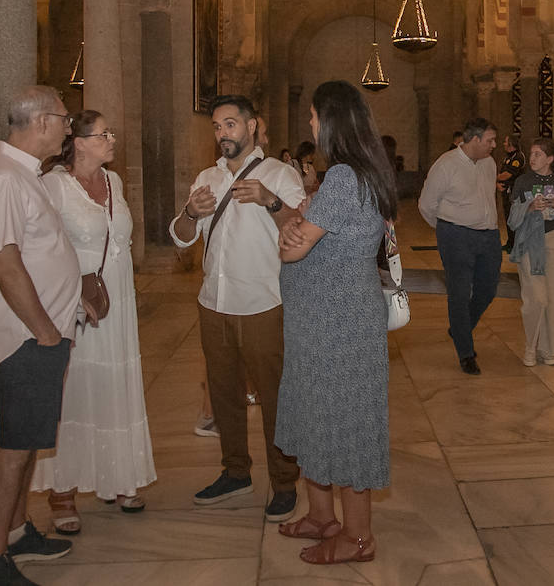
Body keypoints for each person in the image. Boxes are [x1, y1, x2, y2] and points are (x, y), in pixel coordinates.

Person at [0, 86, 86, 586]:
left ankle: (17, 532)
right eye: (63, 118)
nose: (67, 128)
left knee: (31, 439)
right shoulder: (2, 180)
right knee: (15, 446)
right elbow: (6, 263)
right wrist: (44, 331)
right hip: (28, 339)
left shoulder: (23, 175)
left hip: (42, 336)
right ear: (39, 122)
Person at [275, 80, 397, 565]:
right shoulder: (361, 174)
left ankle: (358, 536)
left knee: (343, 422)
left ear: (331, 121)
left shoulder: (345, 177)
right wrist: (303, 222)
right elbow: (308, 231)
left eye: (312, 116)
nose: (309, 125)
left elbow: (295, 245)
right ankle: (322, 515)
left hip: (337, 323)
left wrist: (295, 230)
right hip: (322, 320)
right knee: (314, 413)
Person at [170, 95, 305, 523]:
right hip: (214, 303)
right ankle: (235, 471)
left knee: (275, 396)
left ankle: (284, 481)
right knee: (224, 392)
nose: (222, 133)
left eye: (230, 124)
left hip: (264, 302)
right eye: (216, 126)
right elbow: (181, 238)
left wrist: (271, 201)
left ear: (252, 126)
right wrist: (190, 213)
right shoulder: (206, 177)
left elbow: (303, 234)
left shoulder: (280, 175)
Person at [31, 110, 156, 534]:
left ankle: (117, 477)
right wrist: (66, 297)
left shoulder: (114, 182)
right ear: (78, 142)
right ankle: (62, 491)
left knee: (113, 386)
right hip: (74, 302)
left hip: (116, 299)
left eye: (111, 131)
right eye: (103, 134)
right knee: (75, 391)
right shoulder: (54, 186)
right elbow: (39, 248)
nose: (111, 139)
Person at [418, 118, 502, 375]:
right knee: (459, 293)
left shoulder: (489, 163)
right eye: (489, 140)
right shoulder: (446, 165)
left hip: (488, 235)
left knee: (488, 289)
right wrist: (447, 229)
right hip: (456, 236)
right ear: (474, 140)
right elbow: (426, 205)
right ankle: (466, 353)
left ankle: (460, 328)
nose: (494, 145)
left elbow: (488, 197)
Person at [507, 138, 554, 366]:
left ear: (550, 159)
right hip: (529, 239)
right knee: (536, 297)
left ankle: (549, 350)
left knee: (553, 296)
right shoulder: (523, 181)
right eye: (532, 153)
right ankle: (530, 347)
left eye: (537, 154)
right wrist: (529, 207)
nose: (532, 158)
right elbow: (512, 217)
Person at [496, 135, 527, 250]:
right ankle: (511, 242)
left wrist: (493, 178)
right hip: (506, 192)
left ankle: (517, 244)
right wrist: (497, 182)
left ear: (511, 144)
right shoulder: (507, 157)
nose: (503, 143)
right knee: (508, 217)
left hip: (515, 193)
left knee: (516, 218)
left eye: (505, 141)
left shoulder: (518, 157)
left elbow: (507, 174)